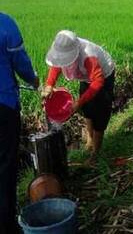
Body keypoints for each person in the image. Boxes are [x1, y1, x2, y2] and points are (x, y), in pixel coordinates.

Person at [42, 30, 115, 163]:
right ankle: (90, 140)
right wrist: (49, 85)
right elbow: (57, 65)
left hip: (103, 76)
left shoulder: (88, 55)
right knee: (87, 109)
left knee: (100, 114)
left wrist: (78, 102)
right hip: (86, 77)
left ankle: (96, 153)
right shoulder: (63, 50)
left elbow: (98, 81)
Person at [0, 13, 39, 234]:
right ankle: (7, 225)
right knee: (5, 168)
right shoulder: (4, 23)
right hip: (3, 106)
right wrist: (33, 80)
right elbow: (21, 63)